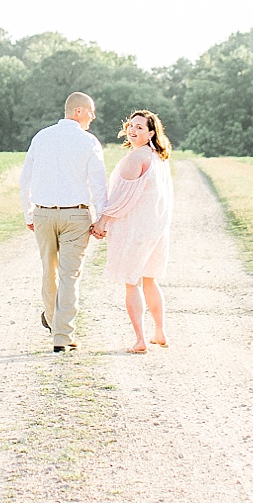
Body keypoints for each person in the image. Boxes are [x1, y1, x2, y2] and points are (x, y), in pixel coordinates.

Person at [19, 92, 108, 352]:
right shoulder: (88, 141)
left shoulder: (41, 137)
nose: (93, 116)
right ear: (78, 111)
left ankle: (51, 318)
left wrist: (28, 213)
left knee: (48, 269)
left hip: (44, 214)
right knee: (69, 275)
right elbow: (99, 185)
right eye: (90, 111)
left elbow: (25, 179)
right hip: (76, 215)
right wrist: (102, 218)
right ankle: (62, 335)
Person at [92, 110, 174, 354]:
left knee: (132, 282)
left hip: (137, 230)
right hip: (156, 229)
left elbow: (121, 199)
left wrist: (101, 222)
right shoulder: (158, 157)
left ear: (151, 133)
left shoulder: (136, 158)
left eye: (140, 127)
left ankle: (140, 339)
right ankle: (159, 332)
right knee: (150, 279)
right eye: (131, 125)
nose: (133, 130)